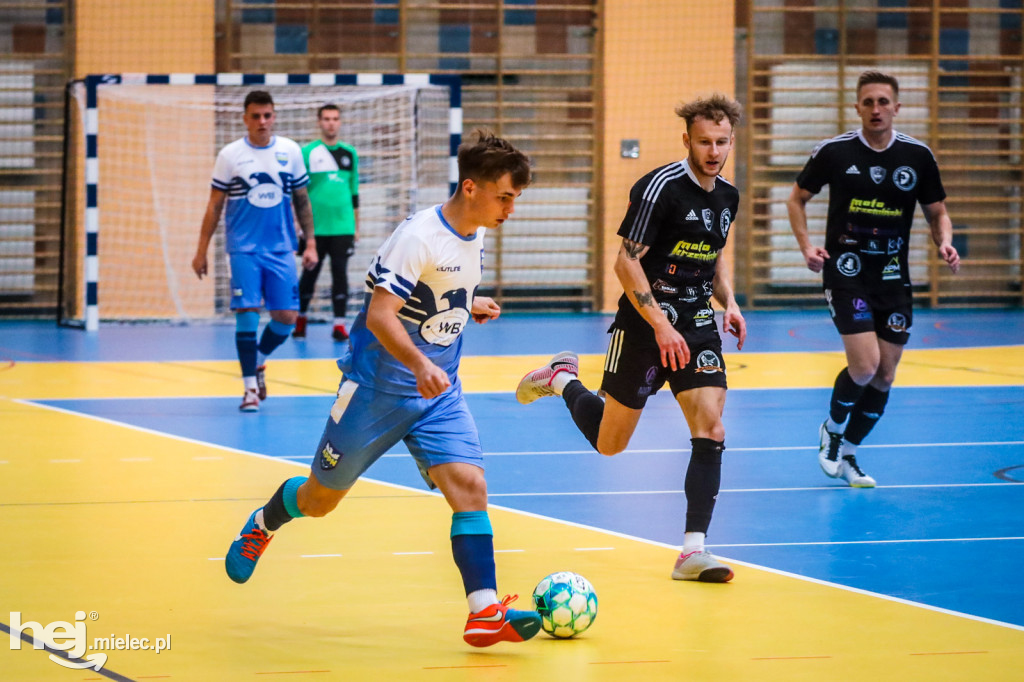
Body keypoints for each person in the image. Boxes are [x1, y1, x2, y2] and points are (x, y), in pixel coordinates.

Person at [223, 130, 542, 647]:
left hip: (438, 393)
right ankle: (263, 522)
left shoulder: (475, 231)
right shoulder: (419, 236)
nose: (510, 208)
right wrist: (418, 363)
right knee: (320, 500)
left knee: (470, 487)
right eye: (505, 196)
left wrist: (465, 306)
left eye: (515, 199)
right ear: (470, 188)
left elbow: (440, 289)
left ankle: (484, 612)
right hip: (376, 390)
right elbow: (379, 315)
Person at [516, 94, 746, 583]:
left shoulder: (727, 196)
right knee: (610, 444)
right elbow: (626, 261)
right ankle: (561, 380)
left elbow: (714, 256)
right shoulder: (659, 187)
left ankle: (692, 551)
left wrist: (731, 302)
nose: (713, 150)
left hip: (697, 323)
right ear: (687, 139)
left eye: (721, 142)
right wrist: (660, 324)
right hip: (645, 324)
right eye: (704, 141)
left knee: (712, 425)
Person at [786, 70, 960, 487]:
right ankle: (831, 429)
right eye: (868, 102)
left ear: (897, 108)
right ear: (857, 107)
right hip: (846, 271)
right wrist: (807, 247)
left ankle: (849, 454)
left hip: (892, 276)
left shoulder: (917, 157)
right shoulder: (835, 152)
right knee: (864, 367)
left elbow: (937, 211)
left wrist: (944, 242)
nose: (876, 109)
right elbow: (796, 198)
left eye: (884, 101)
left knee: (886, 375)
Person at [192, 90, 318, 412]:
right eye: (256, 116)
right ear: (245, 118)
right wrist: (201, 250)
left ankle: (258, 359)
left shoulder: (289, 151)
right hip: (243, 249)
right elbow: (214, 205)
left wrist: (311, 243)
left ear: (273, 116)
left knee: (286, 318)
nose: (262, 122)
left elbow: (302, 200)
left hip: (281, 249)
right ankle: (249, 389)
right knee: (247, 315)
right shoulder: (230, 156)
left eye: (267, 115)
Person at [294, 104, 360, 342]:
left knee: (340, 275)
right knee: (309, 274)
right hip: (315, 229)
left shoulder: (349, 153)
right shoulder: (307, 152)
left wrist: (357, 227)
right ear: (319, 122)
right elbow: (298, 192)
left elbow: (354, 194)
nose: (331, 123)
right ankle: (300, 320)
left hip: (343, 228)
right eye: (326, 119)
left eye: (335, 119)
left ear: (340, 122)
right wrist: (297, 223)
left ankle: (339, 325)